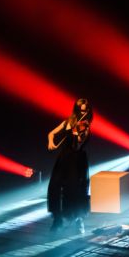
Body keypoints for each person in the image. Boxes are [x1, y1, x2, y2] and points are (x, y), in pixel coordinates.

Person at [47, 98, 92, 234]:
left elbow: (78, 144)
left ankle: (79, 220)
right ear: (76, 110)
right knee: (54, 187)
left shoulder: (86, 126)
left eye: (84, 111)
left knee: (76, 190)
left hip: (77, 160)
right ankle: (57, 219)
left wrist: (77, 133)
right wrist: (51, 142)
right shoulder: (67, 122)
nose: (82, 113)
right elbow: (51, 133)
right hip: (64, 158)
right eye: (80, 110)